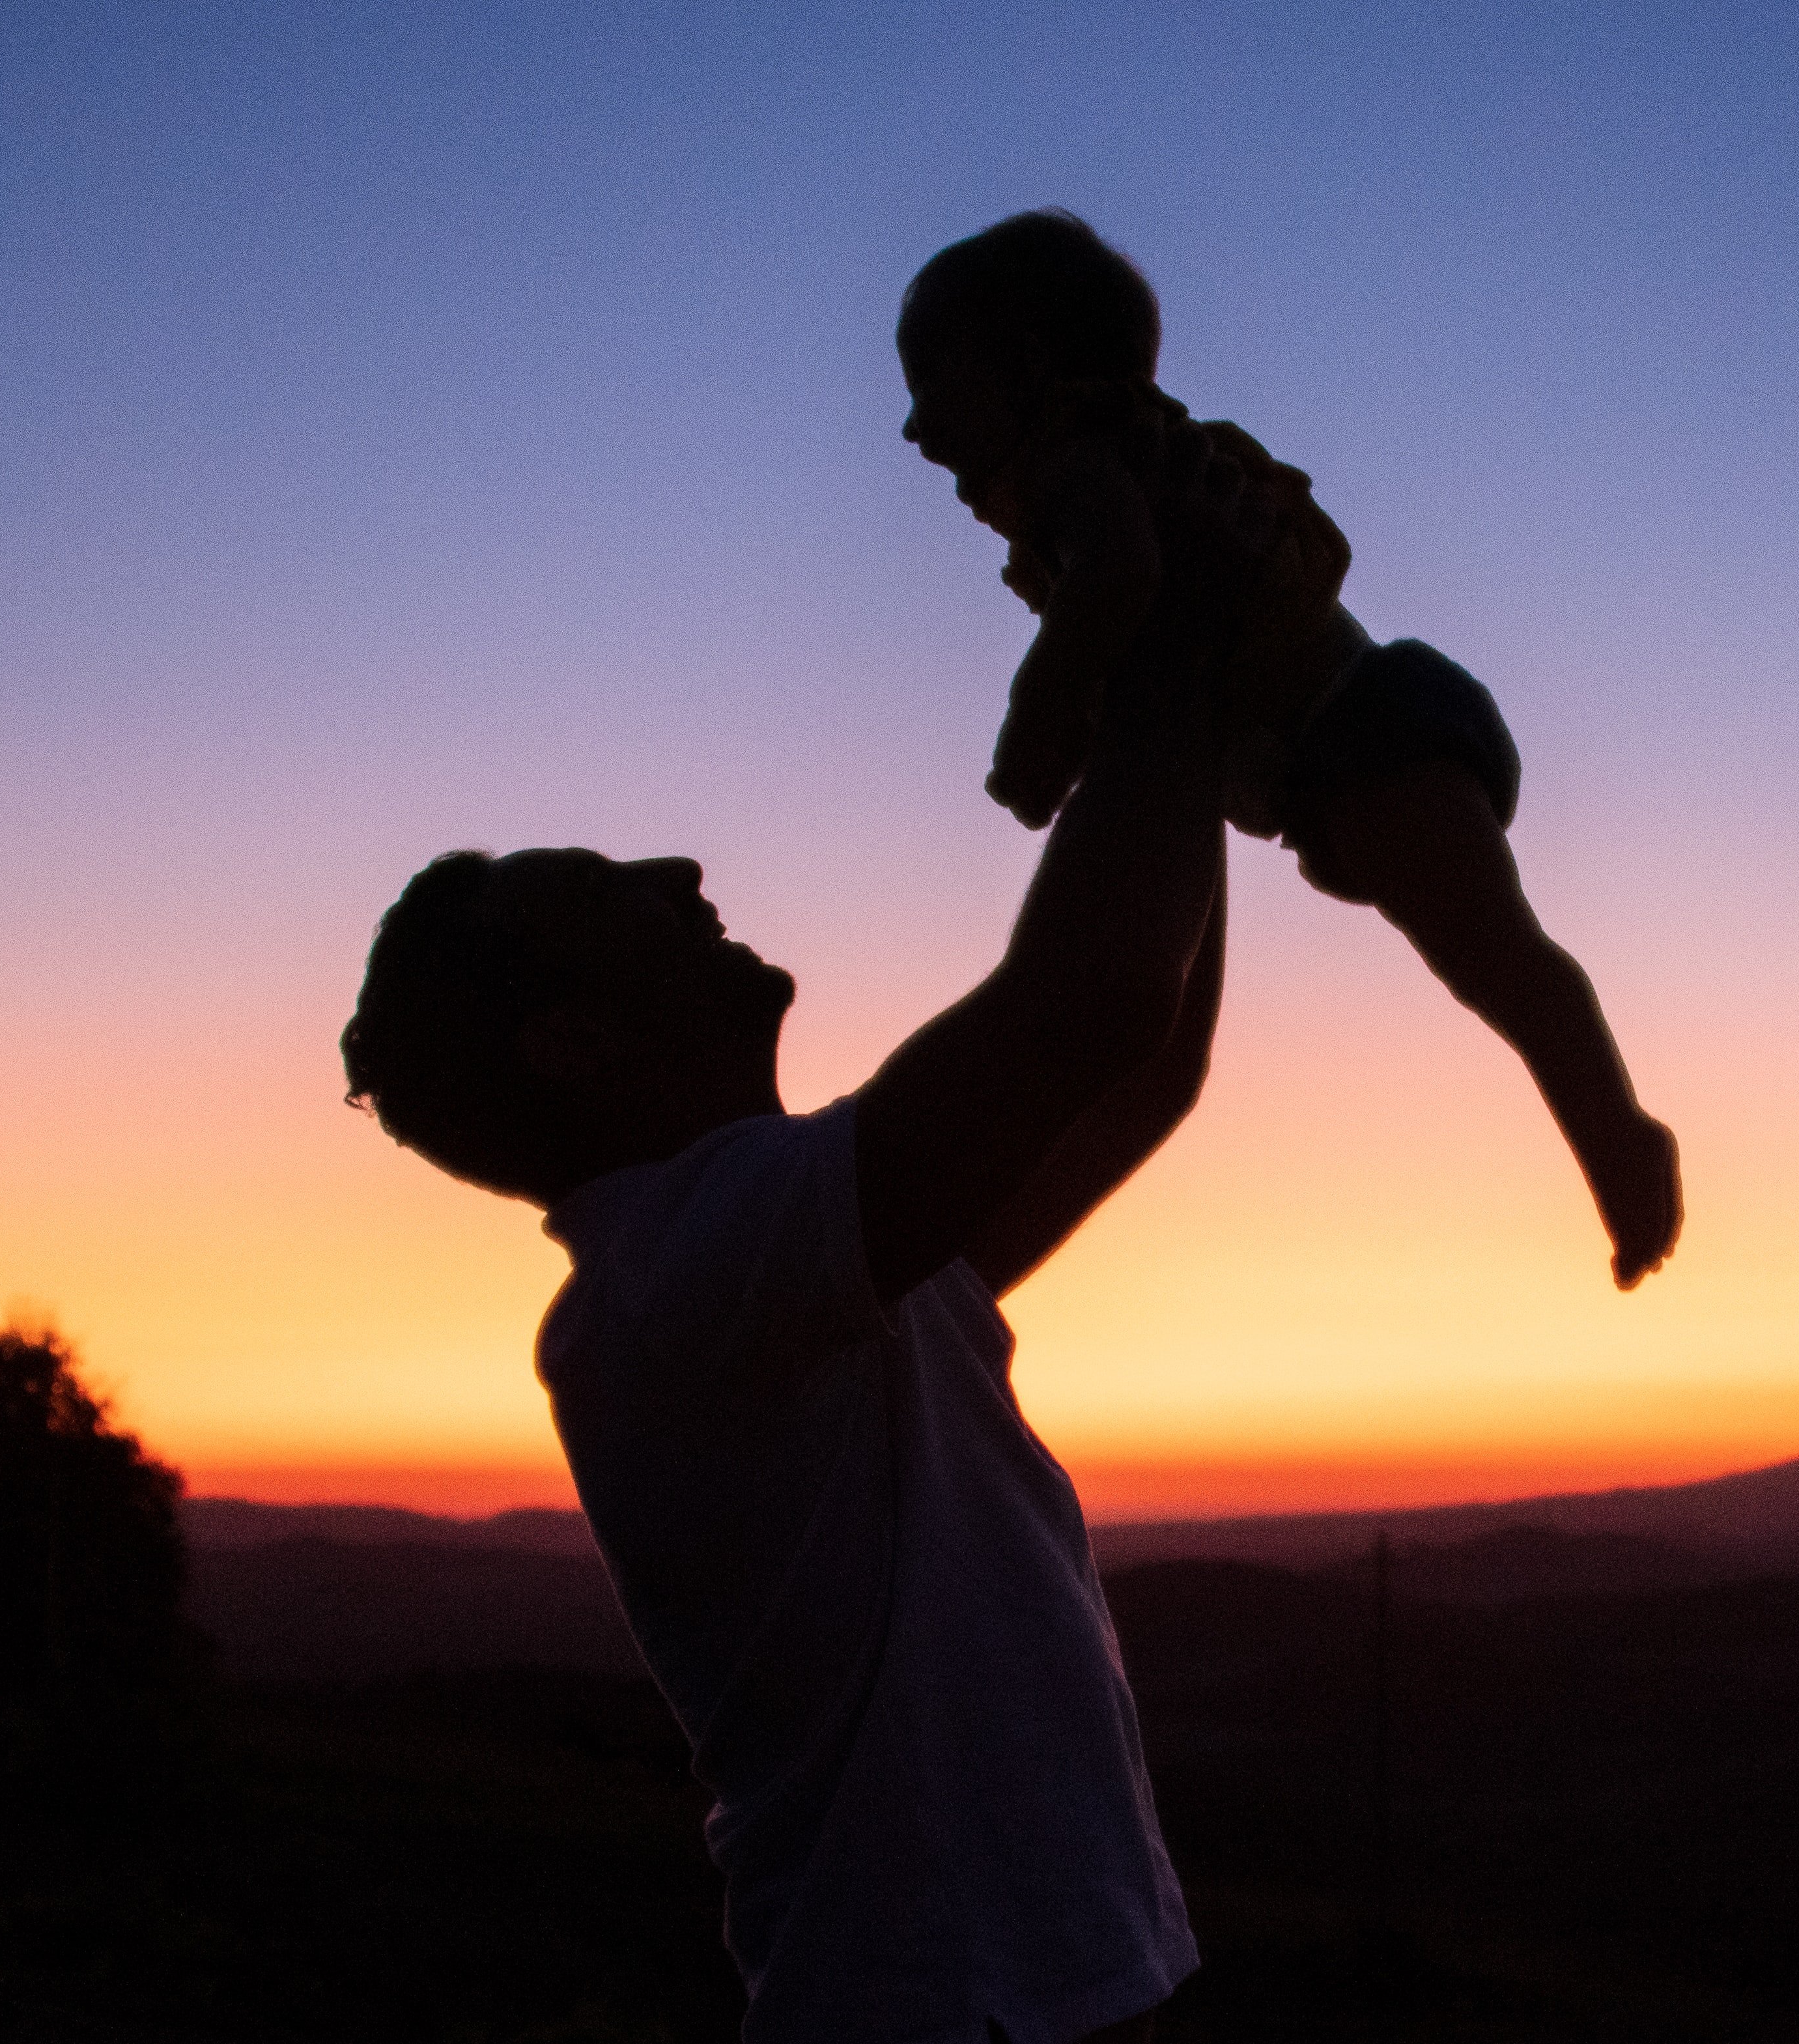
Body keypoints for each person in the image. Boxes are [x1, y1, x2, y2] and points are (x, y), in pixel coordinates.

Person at [337, 580, 1239, 2040]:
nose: (681, 867)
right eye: (602, 888)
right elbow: (1092, 1001)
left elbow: (1133, 1065)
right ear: (571, 1039)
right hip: (955, 2005)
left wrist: (1198, 728)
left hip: (1053, 1982)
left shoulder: (798, 1257)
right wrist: (1176, 629)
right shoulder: (679, 1275)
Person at [896, 208, 1684, 1289]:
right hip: (1325, 753)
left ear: (1023, 364)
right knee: (1479, 960)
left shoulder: (1084, 469)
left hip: (1362, 735)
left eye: (930, 382)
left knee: (1497, 959)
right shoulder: (1118, 462)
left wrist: (1040, 723)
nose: (912, 427)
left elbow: (1117, 585)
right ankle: (1613, 1128)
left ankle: (1618, 1133)